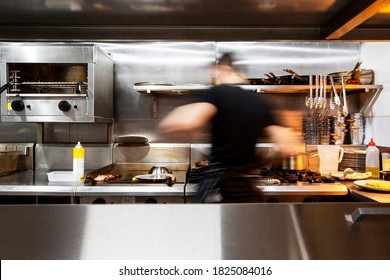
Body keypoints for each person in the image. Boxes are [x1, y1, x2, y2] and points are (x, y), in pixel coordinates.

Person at [157, 53, 301, 203]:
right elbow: (287, 145)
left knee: (210, 225)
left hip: (219, 186)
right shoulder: (261, 102)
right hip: (248, 185)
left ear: (222, 69)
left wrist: (191, 133)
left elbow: (187, 122)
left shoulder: (217, 93)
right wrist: (259, 160)